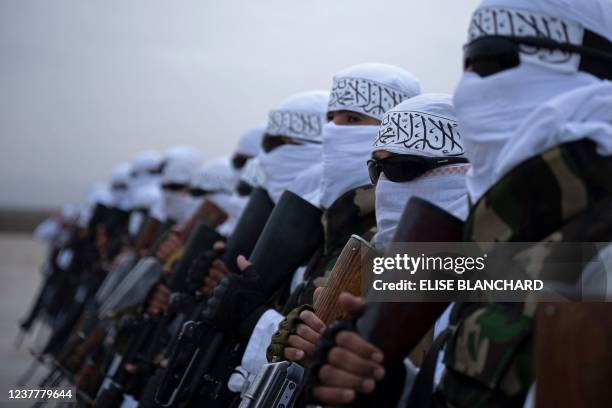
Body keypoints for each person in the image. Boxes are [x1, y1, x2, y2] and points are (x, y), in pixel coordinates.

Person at [310, 0, 612, 406]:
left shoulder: (595, 258)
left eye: (489, 61)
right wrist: (390, 388)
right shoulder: (492, 255)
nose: (469, 88)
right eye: (466, 64)